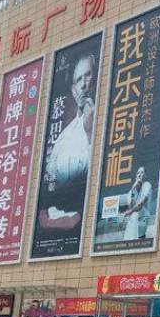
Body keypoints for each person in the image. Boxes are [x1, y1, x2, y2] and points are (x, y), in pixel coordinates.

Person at [39, 54, 97, 231]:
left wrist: (90, 132)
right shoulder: (63, 136)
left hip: (86, 216)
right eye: (78, 80)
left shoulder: (106, 117)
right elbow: (50, 176)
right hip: (60, 214)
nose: (83, 84)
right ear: (73, 90)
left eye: (88, 75)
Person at [122, 167, 152, 240]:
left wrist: (129, 212)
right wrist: (133, 189)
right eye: (138, 173)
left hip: (142, 219)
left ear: (145, 176)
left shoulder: (147, 185)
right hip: (133, 220)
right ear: (136, 176)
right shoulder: (131, 191)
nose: (140, 174)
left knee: (140, 240)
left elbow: (141, 204)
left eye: (142, 172)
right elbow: (131, 206)